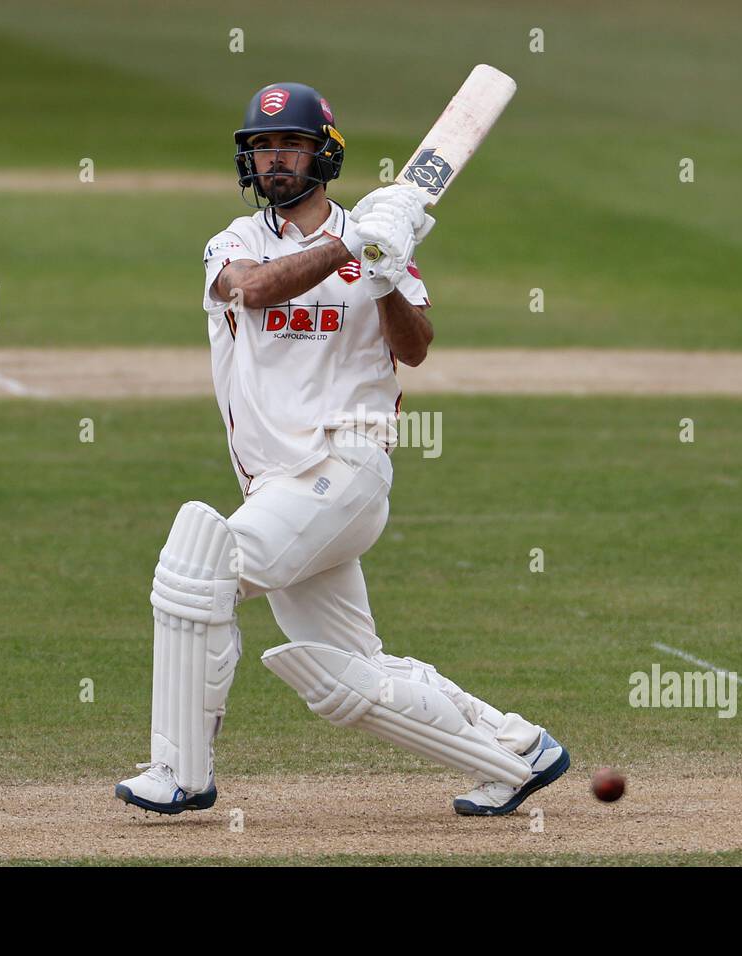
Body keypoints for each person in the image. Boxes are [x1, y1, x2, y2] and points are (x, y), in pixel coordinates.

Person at [115, 81, 569, 817]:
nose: (275, 162)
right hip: (279, 487)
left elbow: (414, 350)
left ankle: (182, 772)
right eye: (261, 149)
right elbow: (254, 292)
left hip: (346, 468)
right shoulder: (234, 243)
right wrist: (349, 245)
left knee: (200, 569)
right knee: (350, 678)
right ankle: (515, 749)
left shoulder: (380, 239)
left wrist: (386, 277)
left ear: (323, 154)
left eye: (289, 146)